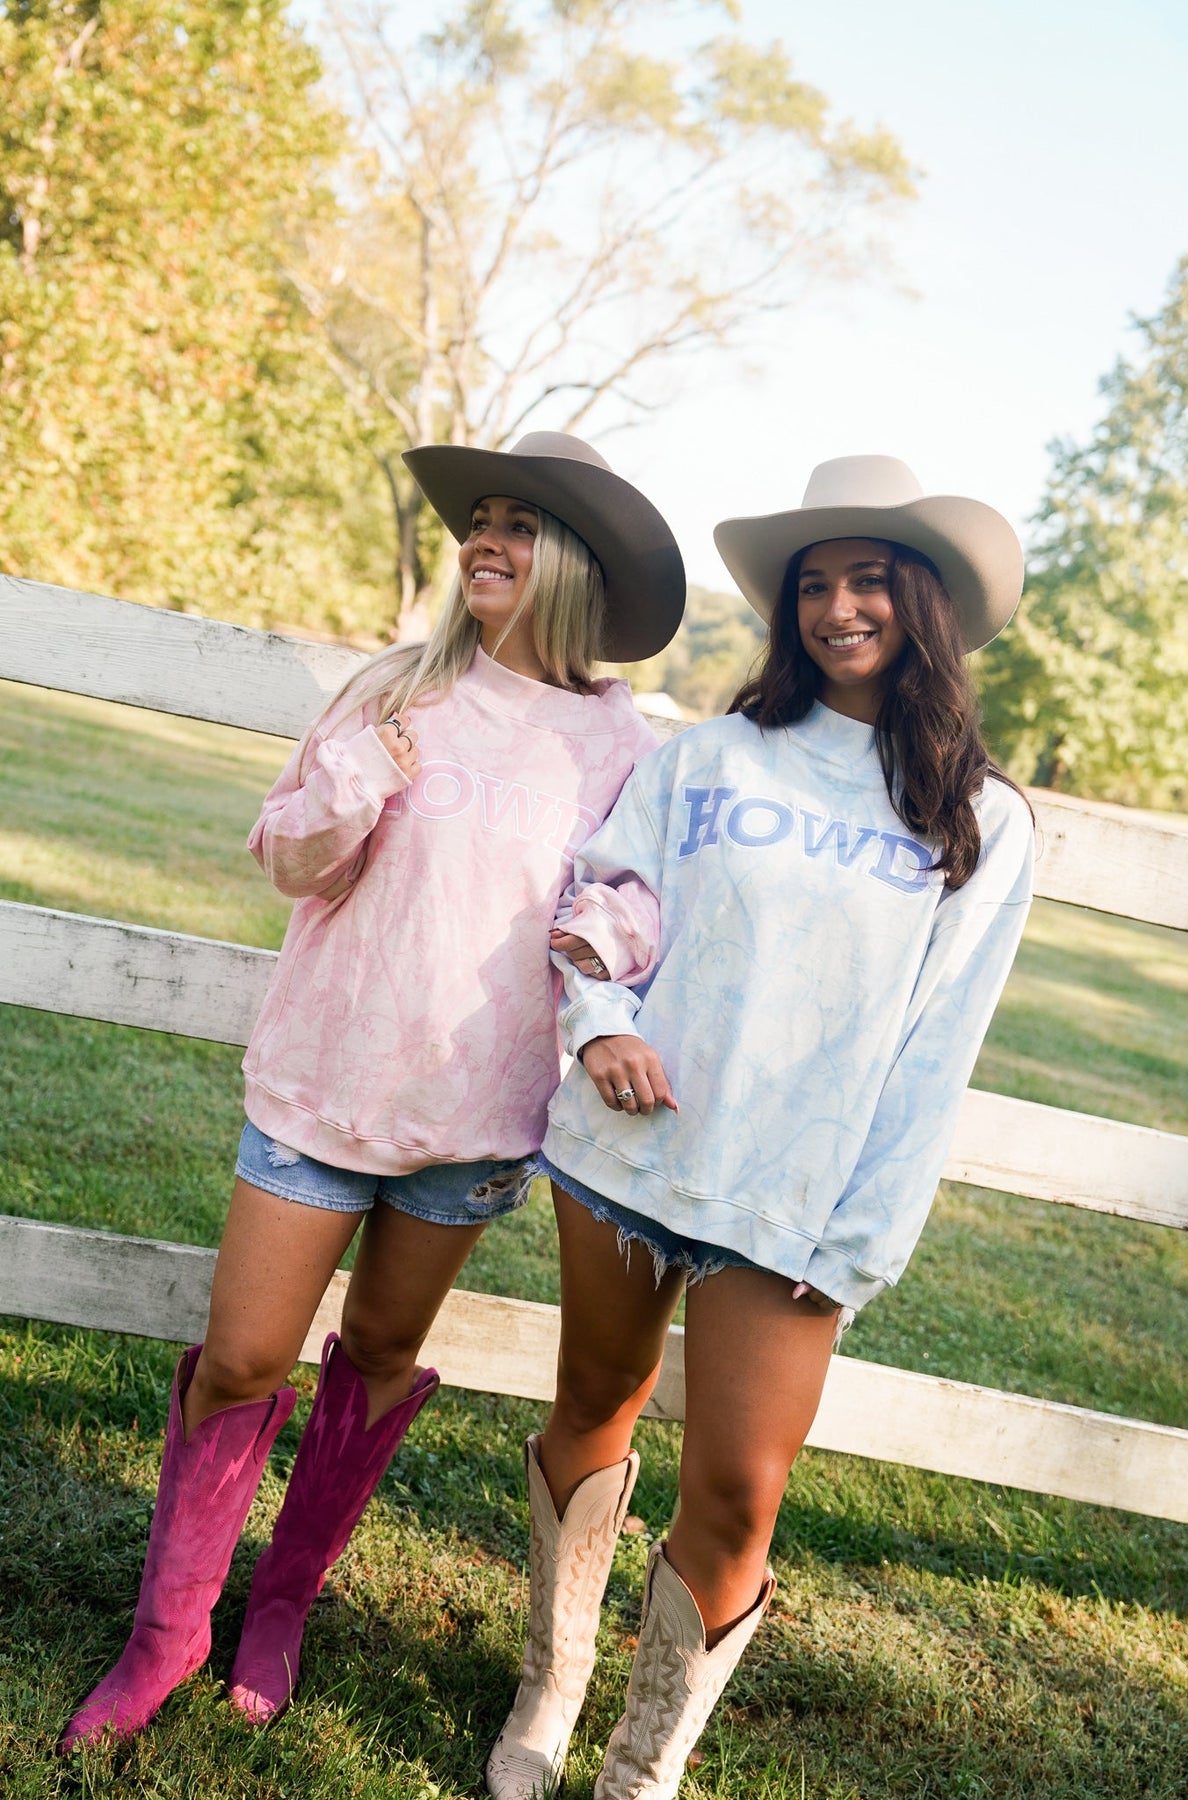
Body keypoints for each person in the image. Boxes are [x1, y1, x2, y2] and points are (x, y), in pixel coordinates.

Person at [62, 432, 686, 1751]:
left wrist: (602, 935)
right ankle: (168, 1636)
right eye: (480, 518)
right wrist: (361, 775)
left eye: (520, 524)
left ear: (576, 564)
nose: (483, 539)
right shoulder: (397, 690)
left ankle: (281, 1605)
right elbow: (290, 859)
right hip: (323, 1086)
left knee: (384, 1354)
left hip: (474, 1121)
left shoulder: (622, 745)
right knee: (243, 1357)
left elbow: (640, 905)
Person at [485, 455, 1034, 1800]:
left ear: (922, 602)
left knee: (736, 1492)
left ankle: (643, 1763)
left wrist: (861, 1238)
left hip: (791, 1205)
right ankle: (551, 1688)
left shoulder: (979, 819)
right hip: (630, 1154)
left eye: (869, 581)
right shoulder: (712, 756)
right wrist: (599, 1023)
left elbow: (937, 1049)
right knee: (592, 1408)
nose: (839, 608)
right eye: (814, 585)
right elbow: (604, 896)